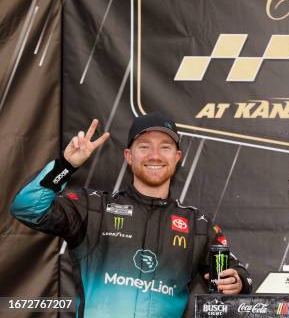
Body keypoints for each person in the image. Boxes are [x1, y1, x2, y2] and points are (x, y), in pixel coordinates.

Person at [10, 113, 252, 318]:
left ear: (177, 158)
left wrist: (237, 281)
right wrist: (66, 165)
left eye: (165, 147)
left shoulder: (197, 225)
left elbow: (238, 274)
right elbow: (26, 207)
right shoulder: (93, 208)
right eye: (144, 146)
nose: (154, 155)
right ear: (129, 156)